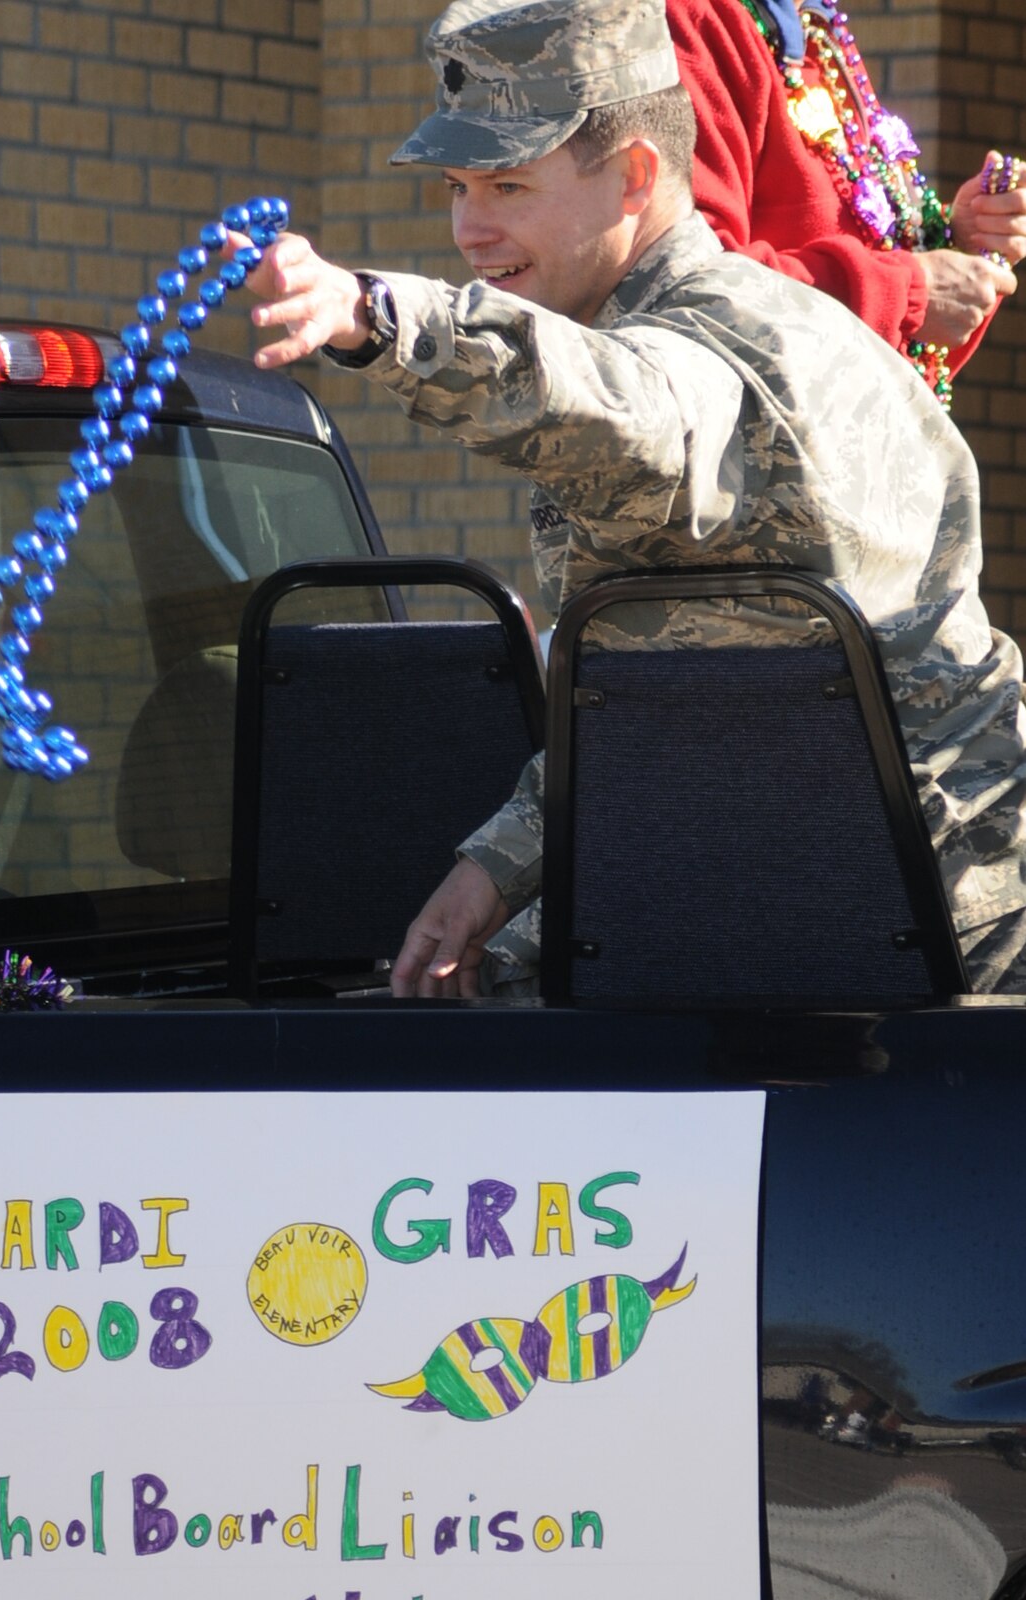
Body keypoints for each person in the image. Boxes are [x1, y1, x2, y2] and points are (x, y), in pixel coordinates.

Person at [240, 0, 1026, 999]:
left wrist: (380, 318)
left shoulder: (713, 350)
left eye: (509, 184)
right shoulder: (783, 317)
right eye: (456, 188)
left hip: (907, 964)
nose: (470, 230)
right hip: (871, 916)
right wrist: (493, 871)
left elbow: (623, 408)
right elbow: (668, 693)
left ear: (635, 177)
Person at [672, 0, 1026, 404]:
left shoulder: (815, 27)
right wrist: (907, 291)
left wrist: (958, 241)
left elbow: (893, 339)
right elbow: (691, 287)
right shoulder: (694, 19)